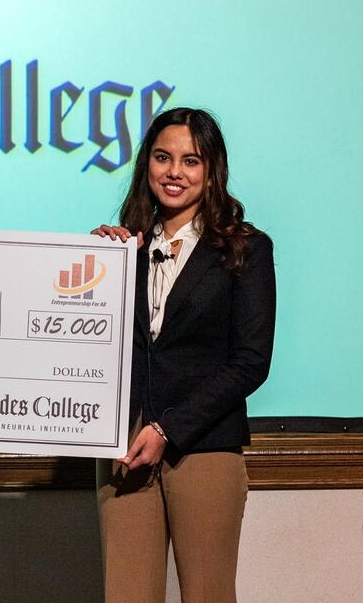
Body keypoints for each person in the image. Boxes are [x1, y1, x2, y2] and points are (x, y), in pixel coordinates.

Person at [91, 107, 275, 603]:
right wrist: (94, 270)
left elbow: (251, 361)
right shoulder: (120, 251)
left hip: (205, 445)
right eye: (162, 157)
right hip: (124, 443)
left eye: (190, 160)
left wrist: (169, 428)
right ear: (145, 165)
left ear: (212, 169)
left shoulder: (246, 248)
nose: (174, 172)